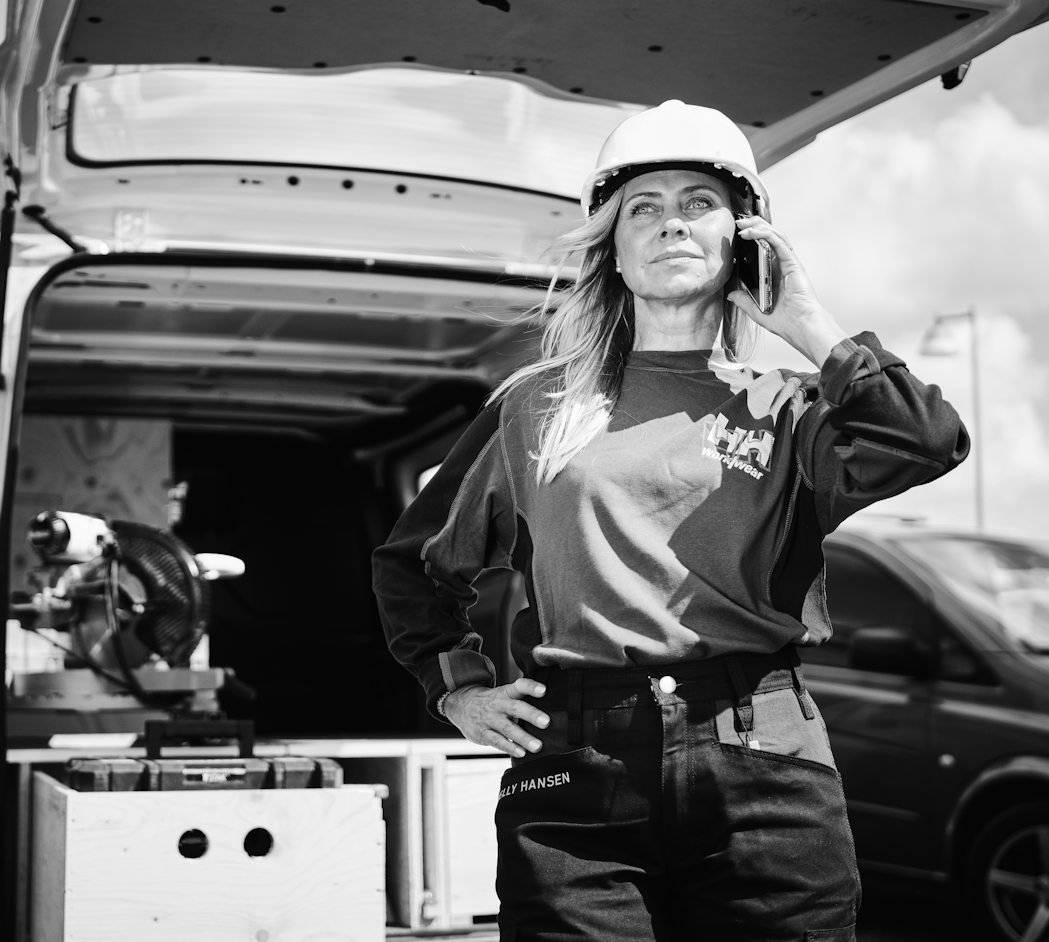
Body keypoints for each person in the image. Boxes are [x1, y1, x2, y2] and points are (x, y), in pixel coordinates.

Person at [372, 99, 969, 942]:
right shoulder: (538, 408)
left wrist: (805, 321)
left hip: (767, 771)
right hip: (577, 769)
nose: (670, 225)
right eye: (642, 210)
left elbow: (927, 440)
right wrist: (459, 689)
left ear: (744, 239)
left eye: (698, 203)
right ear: (611, 251)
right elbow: (412, 564)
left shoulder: (790, 410)